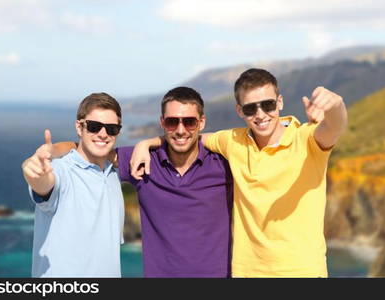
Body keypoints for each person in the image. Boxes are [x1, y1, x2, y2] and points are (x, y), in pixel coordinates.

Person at [131, 68, 348, 277]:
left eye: (268, 105)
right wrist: (147, 143)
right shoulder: (233, 140)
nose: (260, 114)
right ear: (239, 111)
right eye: (250, 108)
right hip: (247, 273)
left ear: (279, 102)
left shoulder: (307, 139)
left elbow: (334, 127)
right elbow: (187, 137)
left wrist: (335, 106)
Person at [51, 87, 233, 277]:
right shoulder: (143, 161)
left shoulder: (223, 163)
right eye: (172, 122)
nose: (180, 130)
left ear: (201, 122)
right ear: (162, 122)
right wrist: (51, 150)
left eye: (189, 122)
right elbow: (89, 148)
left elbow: (250, 140)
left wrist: (148, 141)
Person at [22, 92, 125, 277]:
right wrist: (36, 174)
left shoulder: (113, 174)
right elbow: (46, 185)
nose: (103, 134)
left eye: (111, 128)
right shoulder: (62, 170)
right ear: (79, 127)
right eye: (94, 126)